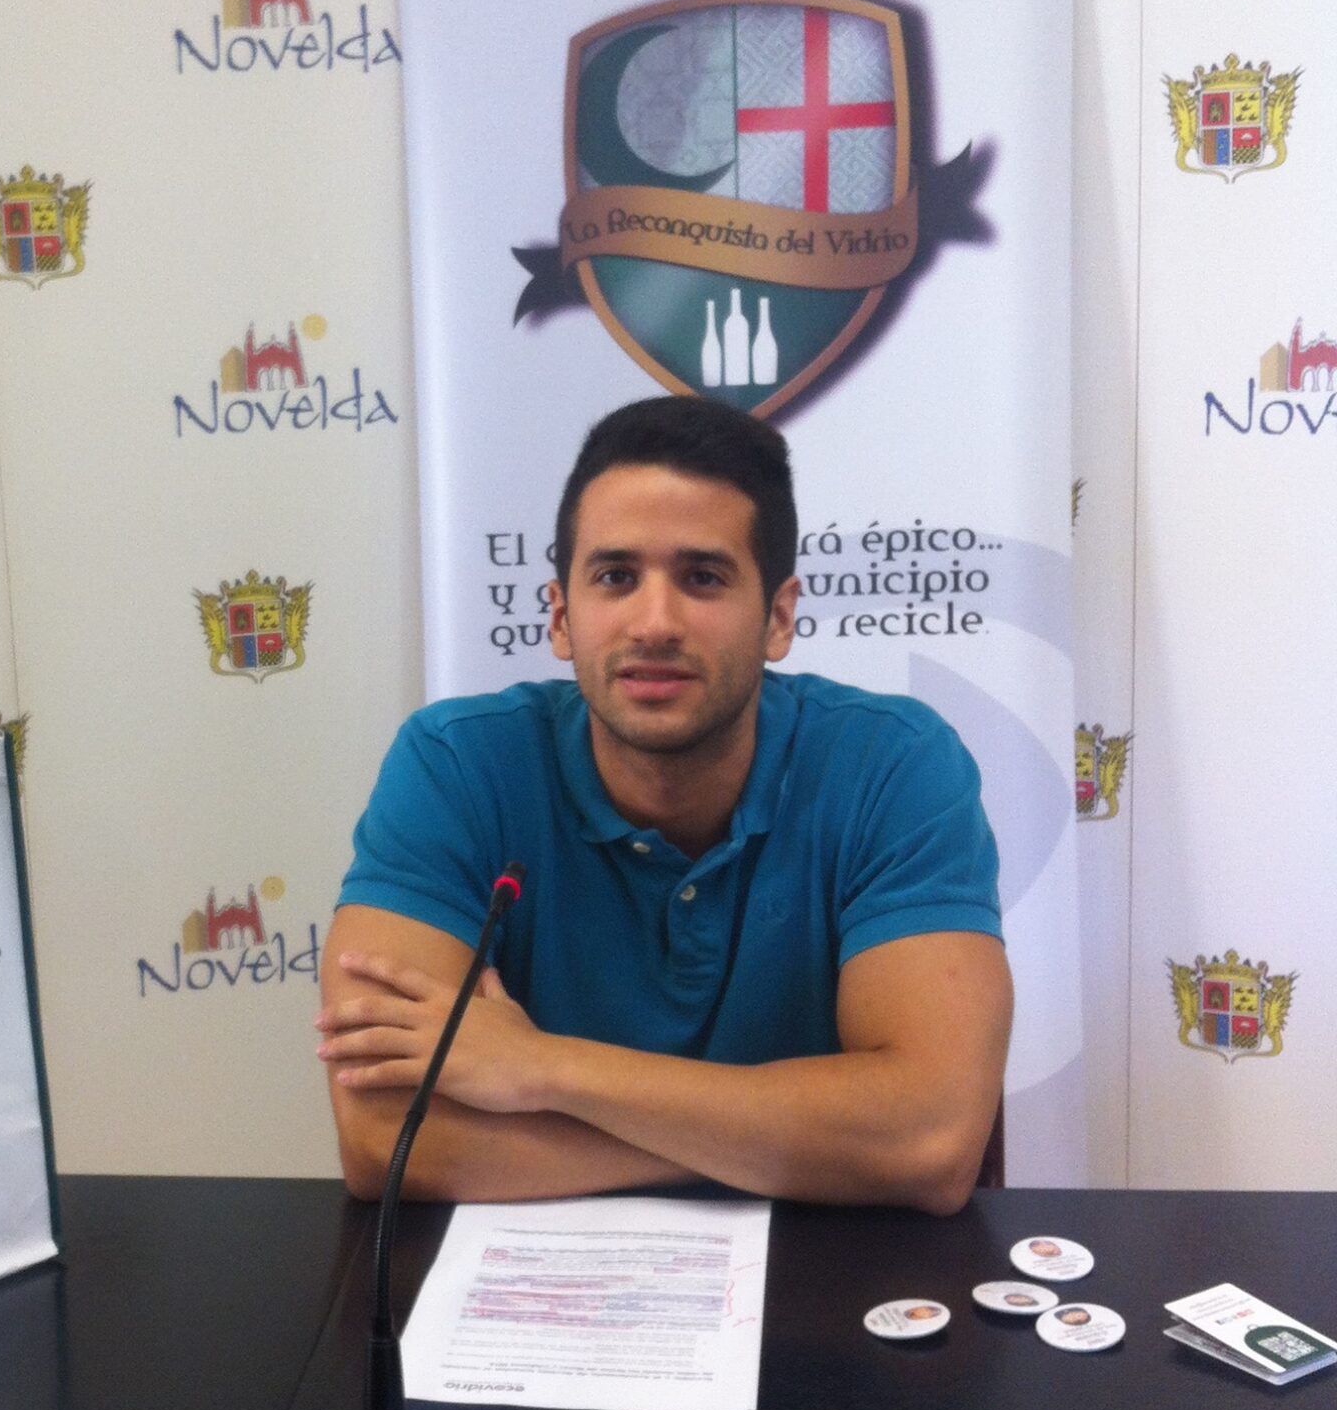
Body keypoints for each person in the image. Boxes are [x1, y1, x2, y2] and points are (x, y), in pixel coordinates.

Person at [317, 394, 1011, 1213]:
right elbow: (385, 1136)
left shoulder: (895, 764)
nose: (654, 622)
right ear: (562, 617)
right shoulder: (455, 764)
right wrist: (774, 1146)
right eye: (616, 576)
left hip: (834, 1278)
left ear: (778, 616)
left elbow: (929, 1140)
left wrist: (546, 1068)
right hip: (531, 1284)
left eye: (703, 577)